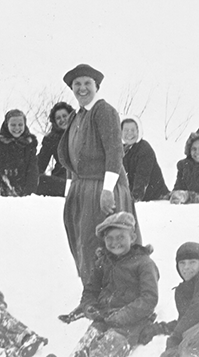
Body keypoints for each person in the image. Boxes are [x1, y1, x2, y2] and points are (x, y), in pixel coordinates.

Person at [45, 212, 158, 357]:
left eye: (121, 237)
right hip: (105, 315)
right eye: (110, 238)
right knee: (92, 334)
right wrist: (88, 305)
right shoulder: (103, 262)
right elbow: (91, 289)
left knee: (113, 342)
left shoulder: (143, 263)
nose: (115, 243)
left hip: (133, 319)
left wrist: (124, 315)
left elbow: (149, 298)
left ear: (133, 237)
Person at [57, 63, 141, 284]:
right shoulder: (77, 116)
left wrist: (107, 190)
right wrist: (69, 191)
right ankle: (92, 295)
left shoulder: (103, 111)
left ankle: (117, 294)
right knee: (83, 243)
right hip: (81, 189)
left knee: (105, 243)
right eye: (77, 84)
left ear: (97, 87)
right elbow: (71, 158)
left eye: (87, 83)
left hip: (102, 188)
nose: (82, 88)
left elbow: (115, 151)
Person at [0, 110, 39, 197]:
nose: (17, 128)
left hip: (25, 188)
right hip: (2, 188)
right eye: (13, 125)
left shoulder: (29, 144)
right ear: (7, 125)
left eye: (20, 125)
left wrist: (30, 194)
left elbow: (32, 169)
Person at [121, 116, 169, 202]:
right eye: (126, 130)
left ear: (138, 131)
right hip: (136, 196)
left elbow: (142, 177)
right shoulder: (120, 150)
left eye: (133, 130)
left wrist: (134, 198)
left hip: (156, 198)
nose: (129, 133)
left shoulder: (144, 149)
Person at [36, 102, 74, 197]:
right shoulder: (51, 139)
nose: (62, 120)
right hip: (62, 179)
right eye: (58, 118)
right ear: (54, 121)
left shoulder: (82, 132)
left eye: (65, 116)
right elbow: (40, 164)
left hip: (82, 179)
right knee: (40, 180)